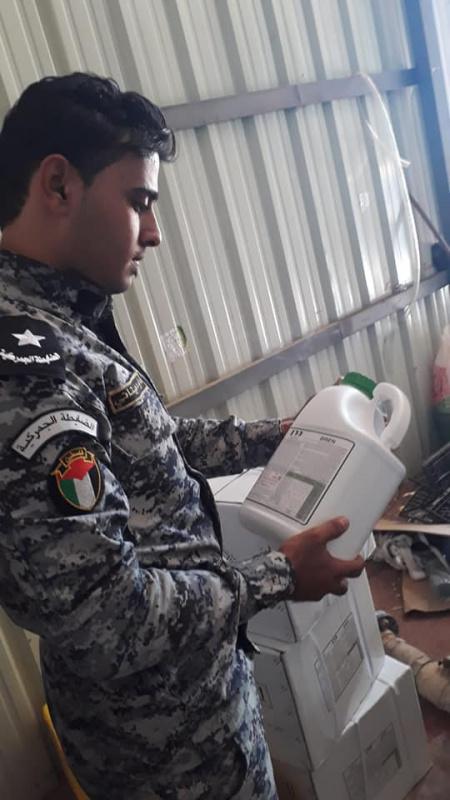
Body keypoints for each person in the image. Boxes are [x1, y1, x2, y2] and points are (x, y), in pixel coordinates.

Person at [0, 73, 364, 800]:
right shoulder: (27, 370)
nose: (154, 232)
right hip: (164, 757)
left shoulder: (63, 318)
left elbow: (150, 448)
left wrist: (278, 436)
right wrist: (279, 577)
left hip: (196, 707)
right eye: (139, 201)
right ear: (59, 185)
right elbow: (105, 618)